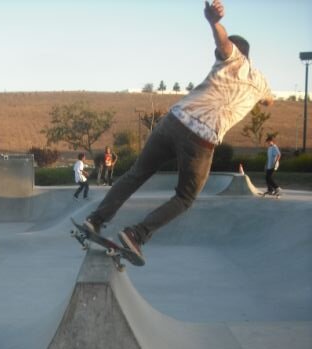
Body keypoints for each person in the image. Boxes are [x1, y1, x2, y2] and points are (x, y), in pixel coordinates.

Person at [83, 0, 274, 261]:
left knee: (136, 173)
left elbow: (223, 43)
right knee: (184, 198)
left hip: (171, 122)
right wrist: (261, 98)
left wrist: (214, 22)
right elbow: (268, 99)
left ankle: (95, 219)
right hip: (200, 140)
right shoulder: (258, 78)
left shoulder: (232, 57)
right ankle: (136, 235)